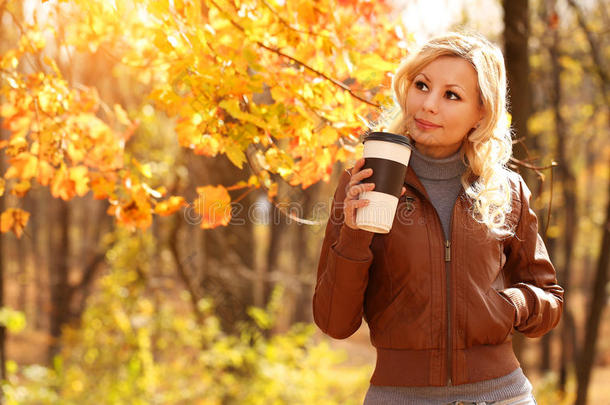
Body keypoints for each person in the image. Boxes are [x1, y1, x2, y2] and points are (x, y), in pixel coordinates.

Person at [312, 31, 563, 405]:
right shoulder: (363, 181)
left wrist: (511, 305)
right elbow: (334, 322)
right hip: (397, 396)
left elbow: (550, 302)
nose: (428, 104)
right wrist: (353, 233)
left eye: (451, 95)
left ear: (481, 112)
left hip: (501, 394)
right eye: (421, 85)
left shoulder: (506, 189)